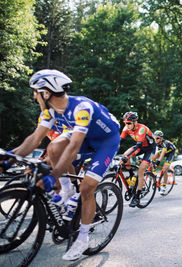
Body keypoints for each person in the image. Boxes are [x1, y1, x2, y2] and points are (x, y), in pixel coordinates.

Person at [0, 69, 120, 261]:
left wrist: (54, 175)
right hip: (86, 138)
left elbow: (74, 146)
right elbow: (34, 139)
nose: (34, 96)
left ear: (46, 93)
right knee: (54, 147)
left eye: (35, 92)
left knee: (87, 187)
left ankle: (83, 238)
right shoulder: (50, 112)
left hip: (106, 141)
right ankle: (68, 191)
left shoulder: (81, 107)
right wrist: (10, 158)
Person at [120, 111, 156, 207]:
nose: (127, 125)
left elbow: (138, 145)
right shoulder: (126, 128)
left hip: (150, 149)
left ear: (135, 122)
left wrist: (129, 157)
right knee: (124, 156)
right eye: (125, 123)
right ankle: (132, 176)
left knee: (141, 171)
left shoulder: (141, 129)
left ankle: (137, 197)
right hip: (140, 146)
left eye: (129, 123)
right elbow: (119, 142)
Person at [153, 130, 176, 195]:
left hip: (170, 153)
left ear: (162, 138)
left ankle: (164, 186)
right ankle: (153, 172)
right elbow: (152, 152)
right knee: (156, 155)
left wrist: (158, 161)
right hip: (165, 151)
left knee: (164, 169)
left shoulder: (165, 143)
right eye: (154, 138)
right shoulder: (154, 142)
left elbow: (163, 153)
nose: (156, 140)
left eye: (158, 138)